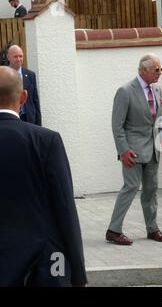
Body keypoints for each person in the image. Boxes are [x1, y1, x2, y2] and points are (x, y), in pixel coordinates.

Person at [0, 66, 87, 286]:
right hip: (40, 264)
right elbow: (65, 208)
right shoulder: (46, 141)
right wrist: (77, 273)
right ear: (23, 97)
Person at [106, 53, 162, 245]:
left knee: (151, 189)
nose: (159, 73)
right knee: (131, 187)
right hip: (132, 150)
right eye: (156, 69)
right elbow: (117, 125)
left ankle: (152, 228)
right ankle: (113, 230)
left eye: (160, 69)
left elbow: (158, 120)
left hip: (153, 150)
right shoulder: (125, 91)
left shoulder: (157, 90)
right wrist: (123, 150)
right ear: (143, 70)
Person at [7, 45, 41, 126]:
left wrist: (39, 125)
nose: (19, 59)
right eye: (15, 56)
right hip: (10, 118)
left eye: (20, 56)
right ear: (8, 57)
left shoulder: (30, 75)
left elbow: (35, 101)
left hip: (28, 119)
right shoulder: (3, 74)